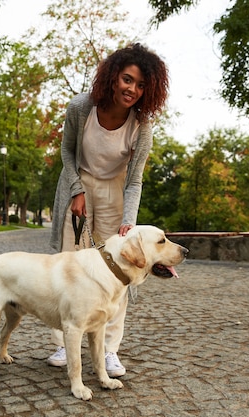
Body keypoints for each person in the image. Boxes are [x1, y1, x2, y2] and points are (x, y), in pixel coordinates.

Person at [47, 43, 169, 377]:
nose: (133, 89)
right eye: (128, 80)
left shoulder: (141, 127)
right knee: (70, 264)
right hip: (78, 184)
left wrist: (129, 222)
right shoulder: (81, 107)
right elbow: (67, 152)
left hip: (116, 191)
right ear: (113, 77)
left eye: (141, 85)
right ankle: (62, 341)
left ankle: (110, 349)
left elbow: (134, 180)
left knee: (119, 269)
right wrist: (76, 190)